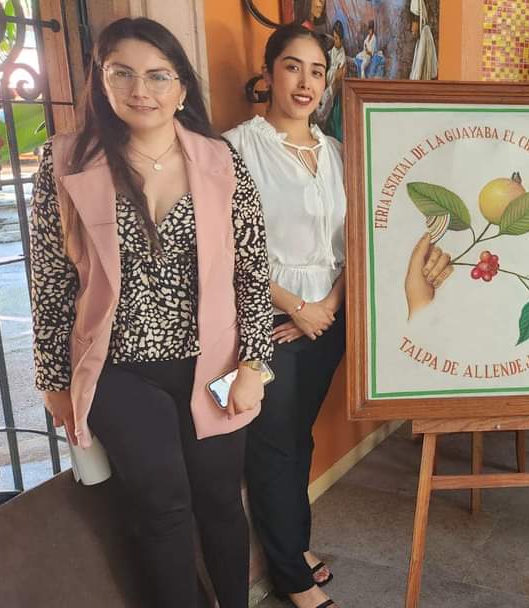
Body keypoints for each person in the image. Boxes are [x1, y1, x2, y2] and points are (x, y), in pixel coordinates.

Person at [28, 17, 273, 608]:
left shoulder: (221, 161)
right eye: (123, 73)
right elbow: (51, 282)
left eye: (158, 75)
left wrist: (254, 365)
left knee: (220, 501)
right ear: (100, 80)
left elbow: (252, 271)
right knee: (163, 508)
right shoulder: (65, 162)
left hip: (213, 363)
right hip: (117, 370)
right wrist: (53, 382)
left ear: (182, 87)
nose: (141, 90)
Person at [224, 23, 344, 608]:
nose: (305, 82)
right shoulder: (235, 148)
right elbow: (227, 248)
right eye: (293, 66)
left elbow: (356, 243)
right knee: (272, 446)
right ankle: (292, 577)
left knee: (298, 437)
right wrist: (296, 306)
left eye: (317, 71)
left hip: (328, 322)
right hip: (266, 322)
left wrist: (326, 308)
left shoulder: (338, 152)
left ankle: (293, 545)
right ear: (269, 72)